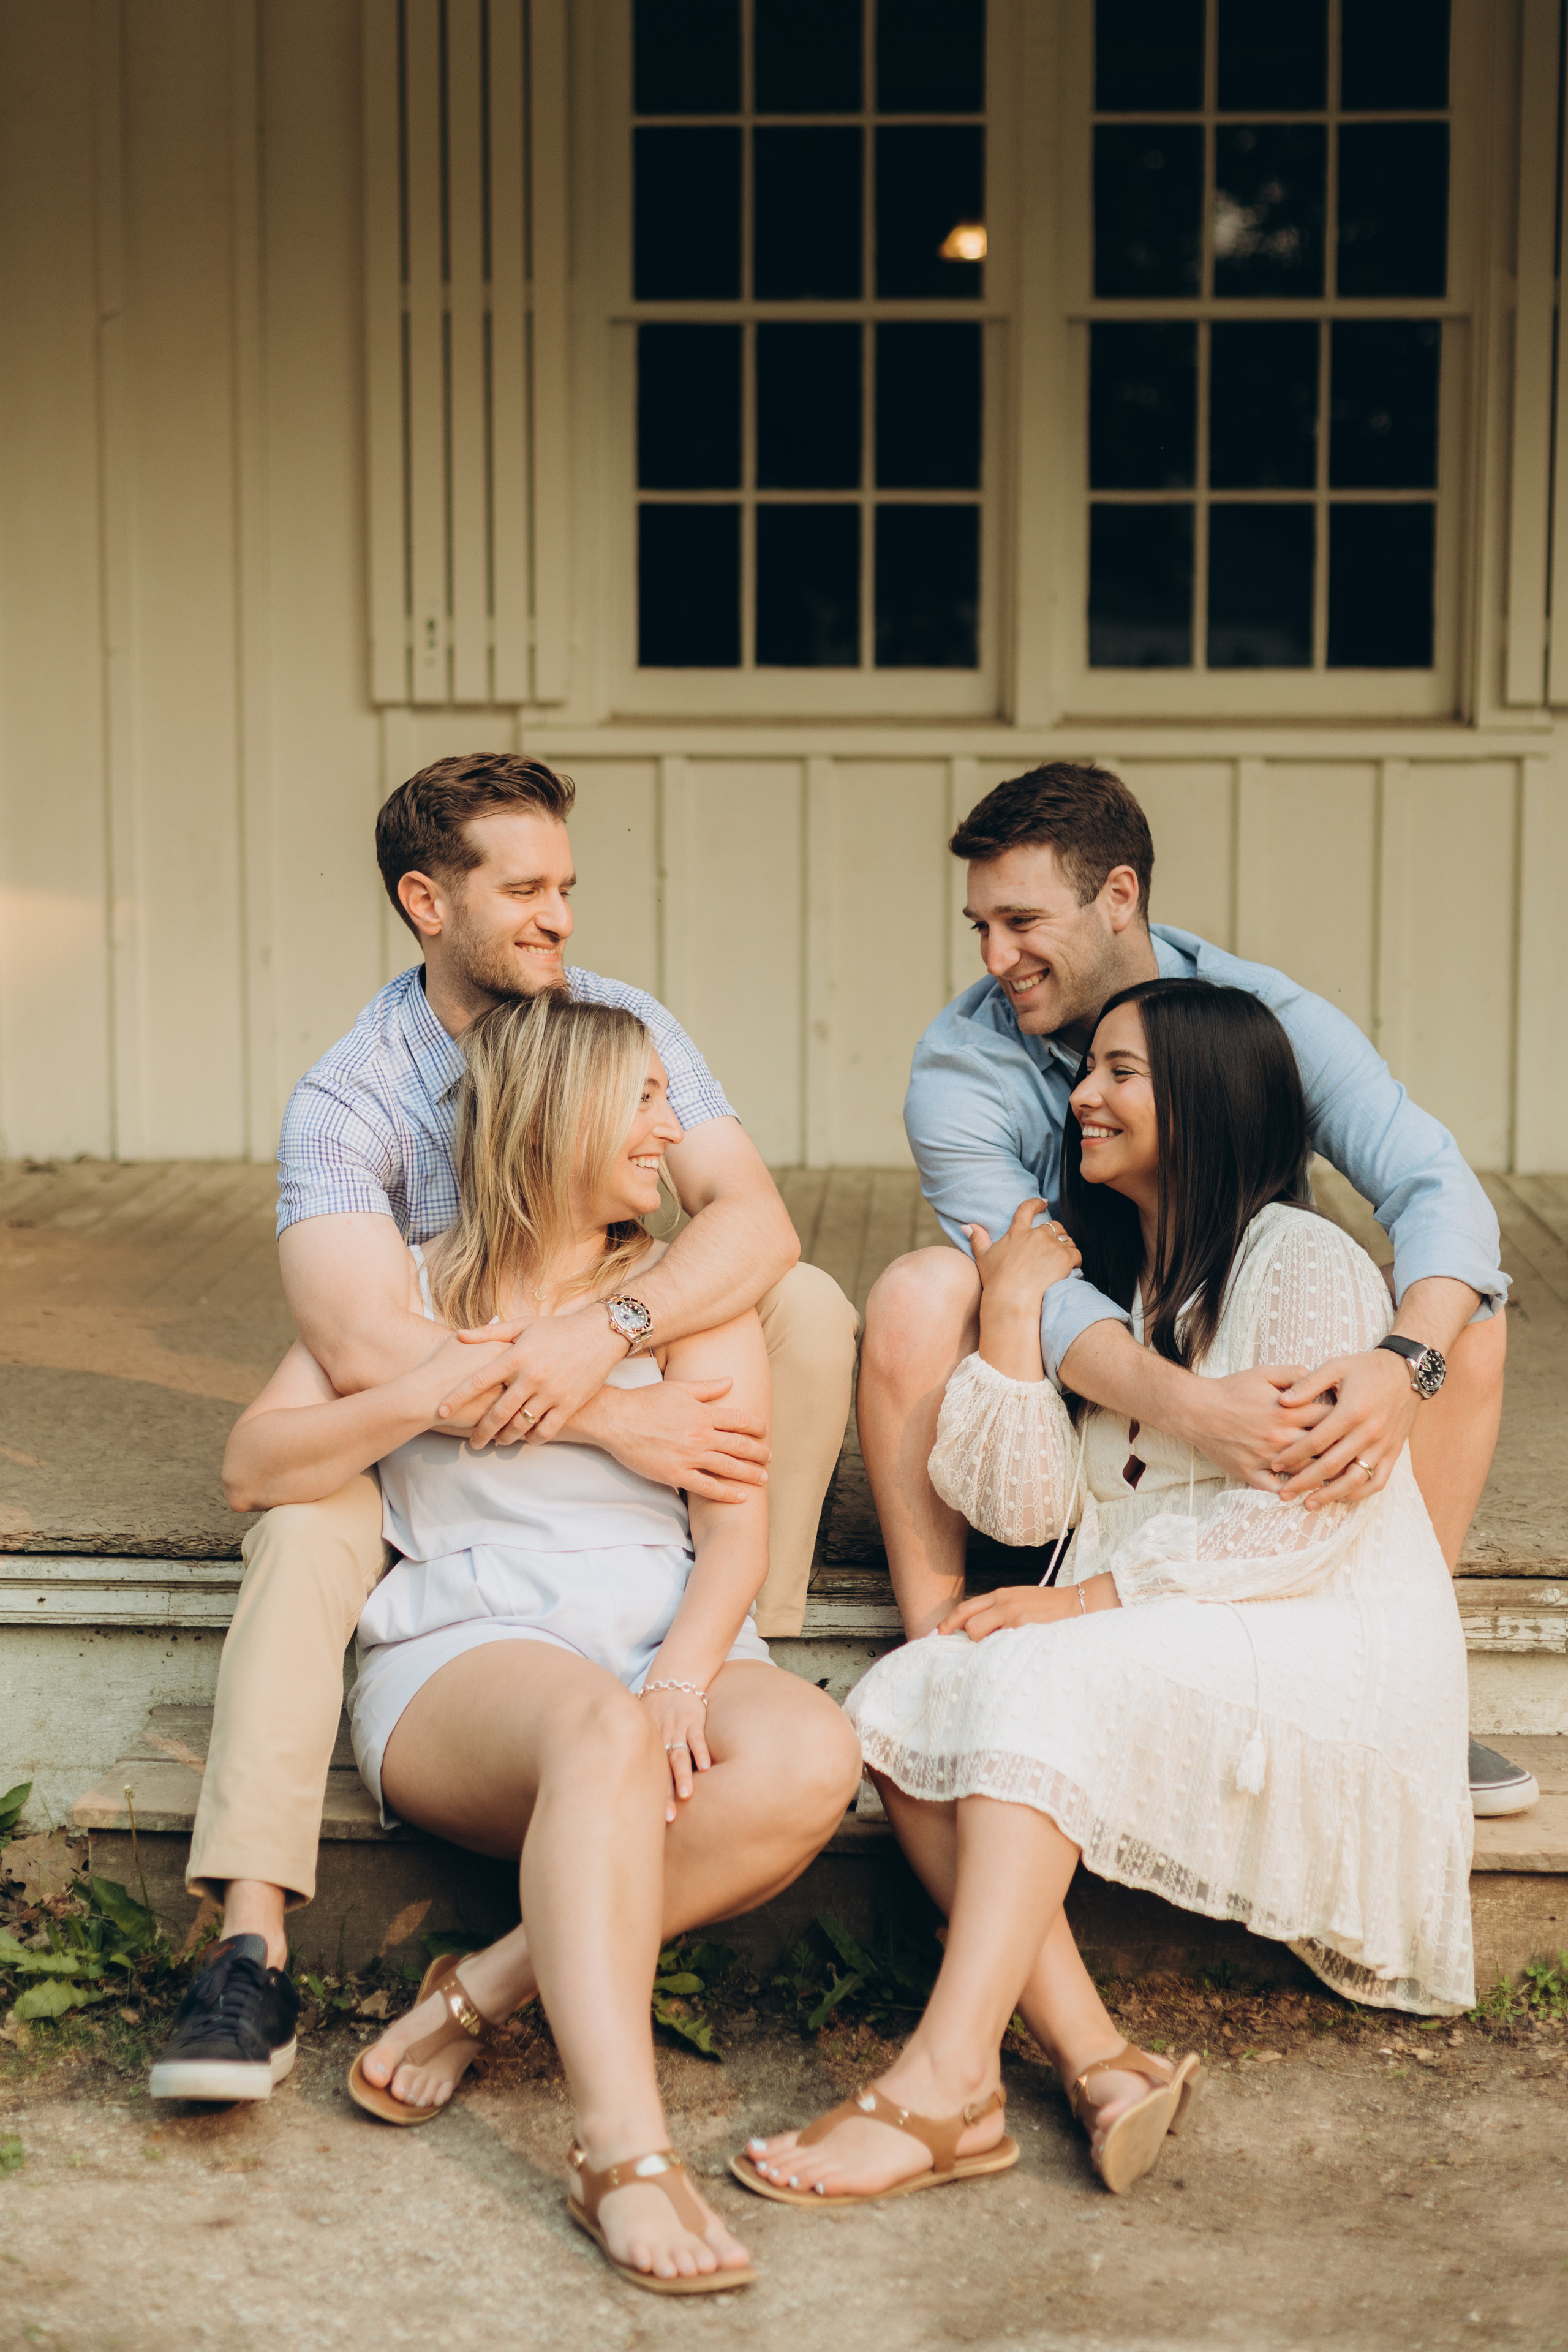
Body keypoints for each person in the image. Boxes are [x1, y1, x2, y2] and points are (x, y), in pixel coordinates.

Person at [149, 753, 858, 2105]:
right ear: (428, 901)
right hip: (439, 1385)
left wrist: (609, 1337)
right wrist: (614, 1426)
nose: (558, 920)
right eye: (523, 890)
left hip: (586, 1346)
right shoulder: (349, 1099)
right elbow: (373, 1347)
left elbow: (752, 1223)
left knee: (807, 1302)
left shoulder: (614, 1023)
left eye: (566, 888)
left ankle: (736, 1602)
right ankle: (250, 1939)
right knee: (303, 1529)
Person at [737, 981, 1472, 2210]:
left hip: (1312, 1627)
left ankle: (945, 2076)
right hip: (1171, 1620)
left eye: (1120, 1073)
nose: (1081, 1094)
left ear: (1206, 1095)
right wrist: (1013, 1317)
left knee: (1024, 1664)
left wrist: (1085, 1605)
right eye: (1090, 1072)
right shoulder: (1127, 1285)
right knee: (913, 1692)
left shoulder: (1301, 1263)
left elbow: (1298, 1521)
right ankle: (1095, 2062)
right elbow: (1022, 1512)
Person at [219, 992, 862, 2289]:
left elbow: (732, 1533)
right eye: (639, 1101)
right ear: (552, 1115)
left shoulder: (678, 1298)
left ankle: (484, 1988)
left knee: (810, 1753)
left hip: (655, 1634)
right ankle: (621, 2152)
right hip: (469, 1646)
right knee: (595, 1726)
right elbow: (253, 1466)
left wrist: (686, 1667)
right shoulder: (411, 1291)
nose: (668, 1128)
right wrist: (436, 1386)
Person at [859, 763, 1534, 1821]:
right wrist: (1191, 1410)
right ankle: (940, 1653)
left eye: (1022, 921)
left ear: (1118, 897)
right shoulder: (958, 1069)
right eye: (980, 926)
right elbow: (1038, 1292)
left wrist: (1405, 1365)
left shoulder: (1259, 1017)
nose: (996, 960)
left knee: (1465, 1320)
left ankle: (1407, 1679)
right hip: (1080, 1386)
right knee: (918, 1289)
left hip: (1241, 1358)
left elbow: (1432, 1184)